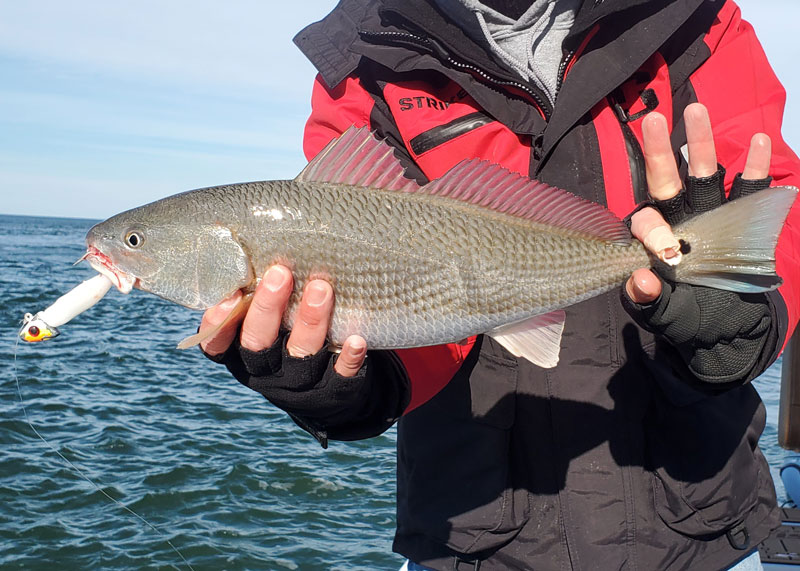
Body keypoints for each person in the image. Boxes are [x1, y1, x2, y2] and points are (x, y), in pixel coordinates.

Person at [200, 1, 800, 569]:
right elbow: (410, 322)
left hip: (701, 528)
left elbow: (772, 194)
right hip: (472, 542)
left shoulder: (697, 17)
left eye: (135, 244)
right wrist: (340, 385)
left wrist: (750, 315)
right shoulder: (362, 60)